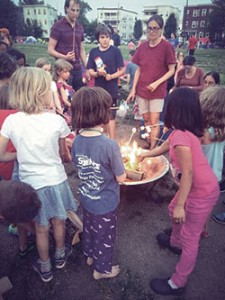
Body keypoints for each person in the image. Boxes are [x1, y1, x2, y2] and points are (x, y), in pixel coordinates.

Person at [0, 67, 80, 282]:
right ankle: (61, 257)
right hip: (56, 181)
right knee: (59, 222)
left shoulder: (12, 121)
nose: (51, 93)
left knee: (42, 229)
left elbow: (1, 154)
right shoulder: (56, 121)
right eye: (48, 89)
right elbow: (64, 155)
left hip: (31, 186)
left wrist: (19, 157)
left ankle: (45, 268)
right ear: (38, 93)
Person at [139, 88, 219, 296]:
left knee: (191, 237)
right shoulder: (180, 133)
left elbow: (189, 174)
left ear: (175, 110)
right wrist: (146, 154)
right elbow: (165, 145)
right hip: (195, 189)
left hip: (202, 192)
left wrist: (183, 205)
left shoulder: (183, 140)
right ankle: (175, 242)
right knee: (172, 208)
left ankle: (178, 282)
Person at [71, 86, 126, 280]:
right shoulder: (110, 145)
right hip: (106, 204)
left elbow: (76, 163)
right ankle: (101, 270)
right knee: (104, 237)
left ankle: (90, 256)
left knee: (90, 229)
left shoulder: (76, 141)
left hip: (87, 198)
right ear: (103, 113)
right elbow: (121, 178)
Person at [126, 15, 176, 149]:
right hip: (142, 90)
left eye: (155, 28)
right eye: (149, 28)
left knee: (154, 122)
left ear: (161, 30)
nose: (152, 31)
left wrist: (156, 83)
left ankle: (153, 148)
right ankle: (149, 141)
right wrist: (133, 90)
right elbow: (138, 69)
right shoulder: (142, 47)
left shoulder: (167, 47)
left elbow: (172, 70)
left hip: (157, 91)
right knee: (146, 120)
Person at [86, 24, 125, 140]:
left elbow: (122, 70)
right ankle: (100, 139)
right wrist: (98, 74)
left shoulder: (116, 51)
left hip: (111, 89)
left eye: (107, 37)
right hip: (98, 90)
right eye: (102, 37)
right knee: (99, 116)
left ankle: (111, 141)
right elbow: (89, 71)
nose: (105, 40)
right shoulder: (93, 52)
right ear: (98, 38)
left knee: (111, 116)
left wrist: (112, 76)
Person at [199, 86, 225, 225]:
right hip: (216, 177)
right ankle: (204, 229)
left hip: (201, 179)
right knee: (206, 207)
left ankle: (185, 234)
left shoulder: (205, 132)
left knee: (193, 207)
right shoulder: (221, 130)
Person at [48, 0, 86, 91]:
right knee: (65, 96)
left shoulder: (80, 27)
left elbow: (82, 50)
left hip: (77, 68)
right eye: (73, 10)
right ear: (66, 9)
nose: (75, 13)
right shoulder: (57, 26)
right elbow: (50, 50)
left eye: (78, 10)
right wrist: (65, 57)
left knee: (78, 96)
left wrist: (87, 68)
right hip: (63, 69)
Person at [52, 59, 74, 124]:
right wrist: (73, 107)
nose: (68, 74)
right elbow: (64, 99)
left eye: (68, 71)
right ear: (58, 72)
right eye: (65, 72)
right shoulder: (60, 84)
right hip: (67, 108)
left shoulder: (65, 82)